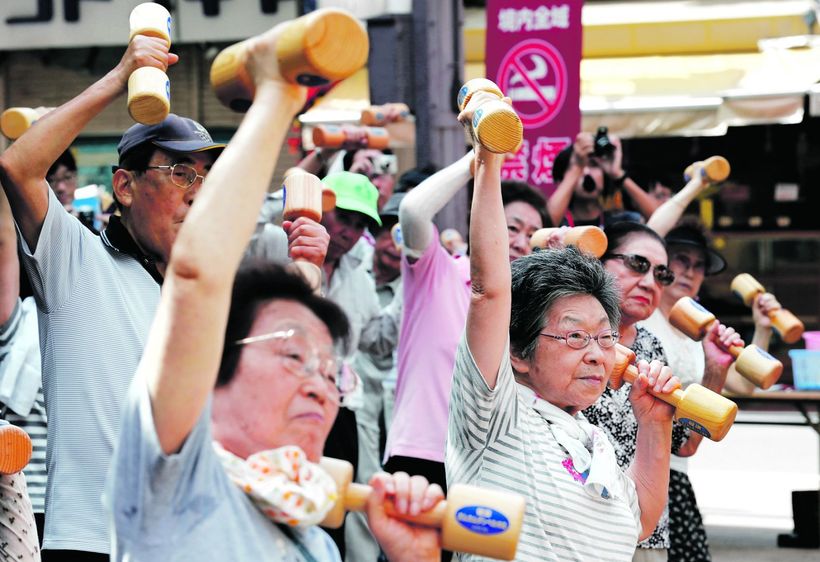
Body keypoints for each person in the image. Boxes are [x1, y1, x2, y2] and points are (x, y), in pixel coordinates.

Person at [104, 28, 443, 561]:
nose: (321, 388)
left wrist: (411, 558)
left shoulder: (315, 544)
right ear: (213, 368)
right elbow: (197, 276)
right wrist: (276, 94)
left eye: (329, 373)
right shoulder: (171, 475)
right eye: (293, 357)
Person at [0, 34, 224, 559]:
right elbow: (18, 167)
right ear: (124, 187)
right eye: (180, 172)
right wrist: (123, 75)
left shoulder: (205, 294)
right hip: (89, 543)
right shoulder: (76, 260)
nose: (197, 190)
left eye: (206, 177)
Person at [447, 91, 679, 561]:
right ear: (518, 351)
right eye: (575, 336)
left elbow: (642, 524)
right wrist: (489, 161)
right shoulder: (496, 416)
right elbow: (489, 291)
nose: (597, 354)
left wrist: (654, 425)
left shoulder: (596, 441)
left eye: (604, 336)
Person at [583, 221, 742, 561]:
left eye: (661, 275)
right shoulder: (564, 335)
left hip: (644, 530)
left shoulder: (651, 344)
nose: (650, 282)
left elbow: (684, 446)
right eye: (638, 264)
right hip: (575, 526)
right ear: (597, 260)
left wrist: (715, 368)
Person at [639, 220, 776, 562]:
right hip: (641, 462)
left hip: (678, 465)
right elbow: (648, 233)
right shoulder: (641, 316)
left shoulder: (700, 329)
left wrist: (762, 328)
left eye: (699, 266)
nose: (690, 271)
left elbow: (744, 384)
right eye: (681, 260)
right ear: (661, 265)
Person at [0, 186, 41, 562]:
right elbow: (2, 242)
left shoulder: (97, 330)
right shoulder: (20, 325)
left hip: (82, 507)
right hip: (20, 503)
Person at [547, 132, 660, 228]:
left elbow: (660, 220)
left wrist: (617, 173)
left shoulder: (621, 222)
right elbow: (545, 223)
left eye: (593, 165)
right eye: (581, 166)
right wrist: (576, 166)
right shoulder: (559, 226)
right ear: (561, 179)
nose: (586, 172)